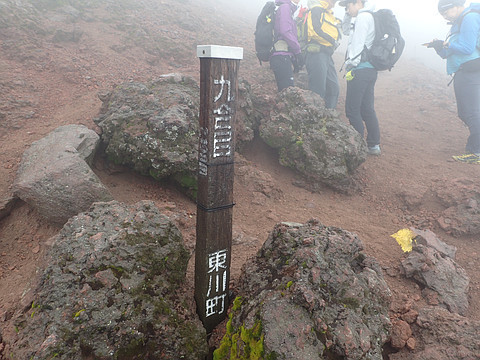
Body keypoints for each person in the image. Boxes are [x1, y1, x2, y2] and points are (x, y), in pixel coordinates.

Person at [427, 0, 480, 163]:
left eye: (446, 12)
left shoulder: (469, 17)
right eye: (442, 14)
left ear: (457, 6)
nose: (445, 16)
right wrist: (439, 47)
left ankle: (476, 152)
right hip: (462, 70)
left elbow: (467, 48)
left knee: (471, 112)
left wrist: (446, 43)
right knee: (465, 112)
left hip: (470, 70)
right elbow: (449, 53)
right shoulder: (459, 21)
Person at [340, 0, 381, 155]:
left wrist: (351, 64)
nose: (347, 9)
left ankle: (358, 147)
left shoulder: (363, 17)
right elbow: (345, 30)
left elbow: (357, 43)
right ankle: (374, 145)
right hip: (370, 70)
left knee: (352, 109)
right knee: (367, 108)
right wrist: (347, 13)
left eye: (348, 6)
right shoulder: (369, 16)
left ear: (357, 2)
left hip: (360, 69)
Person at [303, 0, 341, 109]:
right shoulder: (316, 9)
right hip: (317, 53)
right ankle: (315, 119)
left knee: (334, 88)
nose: (334, 3)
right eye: (333, 1)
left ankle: (329, 117)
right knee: (318, 90)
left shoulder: (327, 13)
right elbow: (314, 30)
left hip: (326, 54)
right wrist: (332, 41)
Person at [271, 0, 303, 91]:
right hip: (281, 56)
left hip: (281, 55)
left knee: (285, 91)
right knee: (287, 92)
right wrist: (298, 51)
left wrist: (294, 60)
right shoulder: (285, 7)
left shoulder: (286, 8)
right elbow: (285, 31)